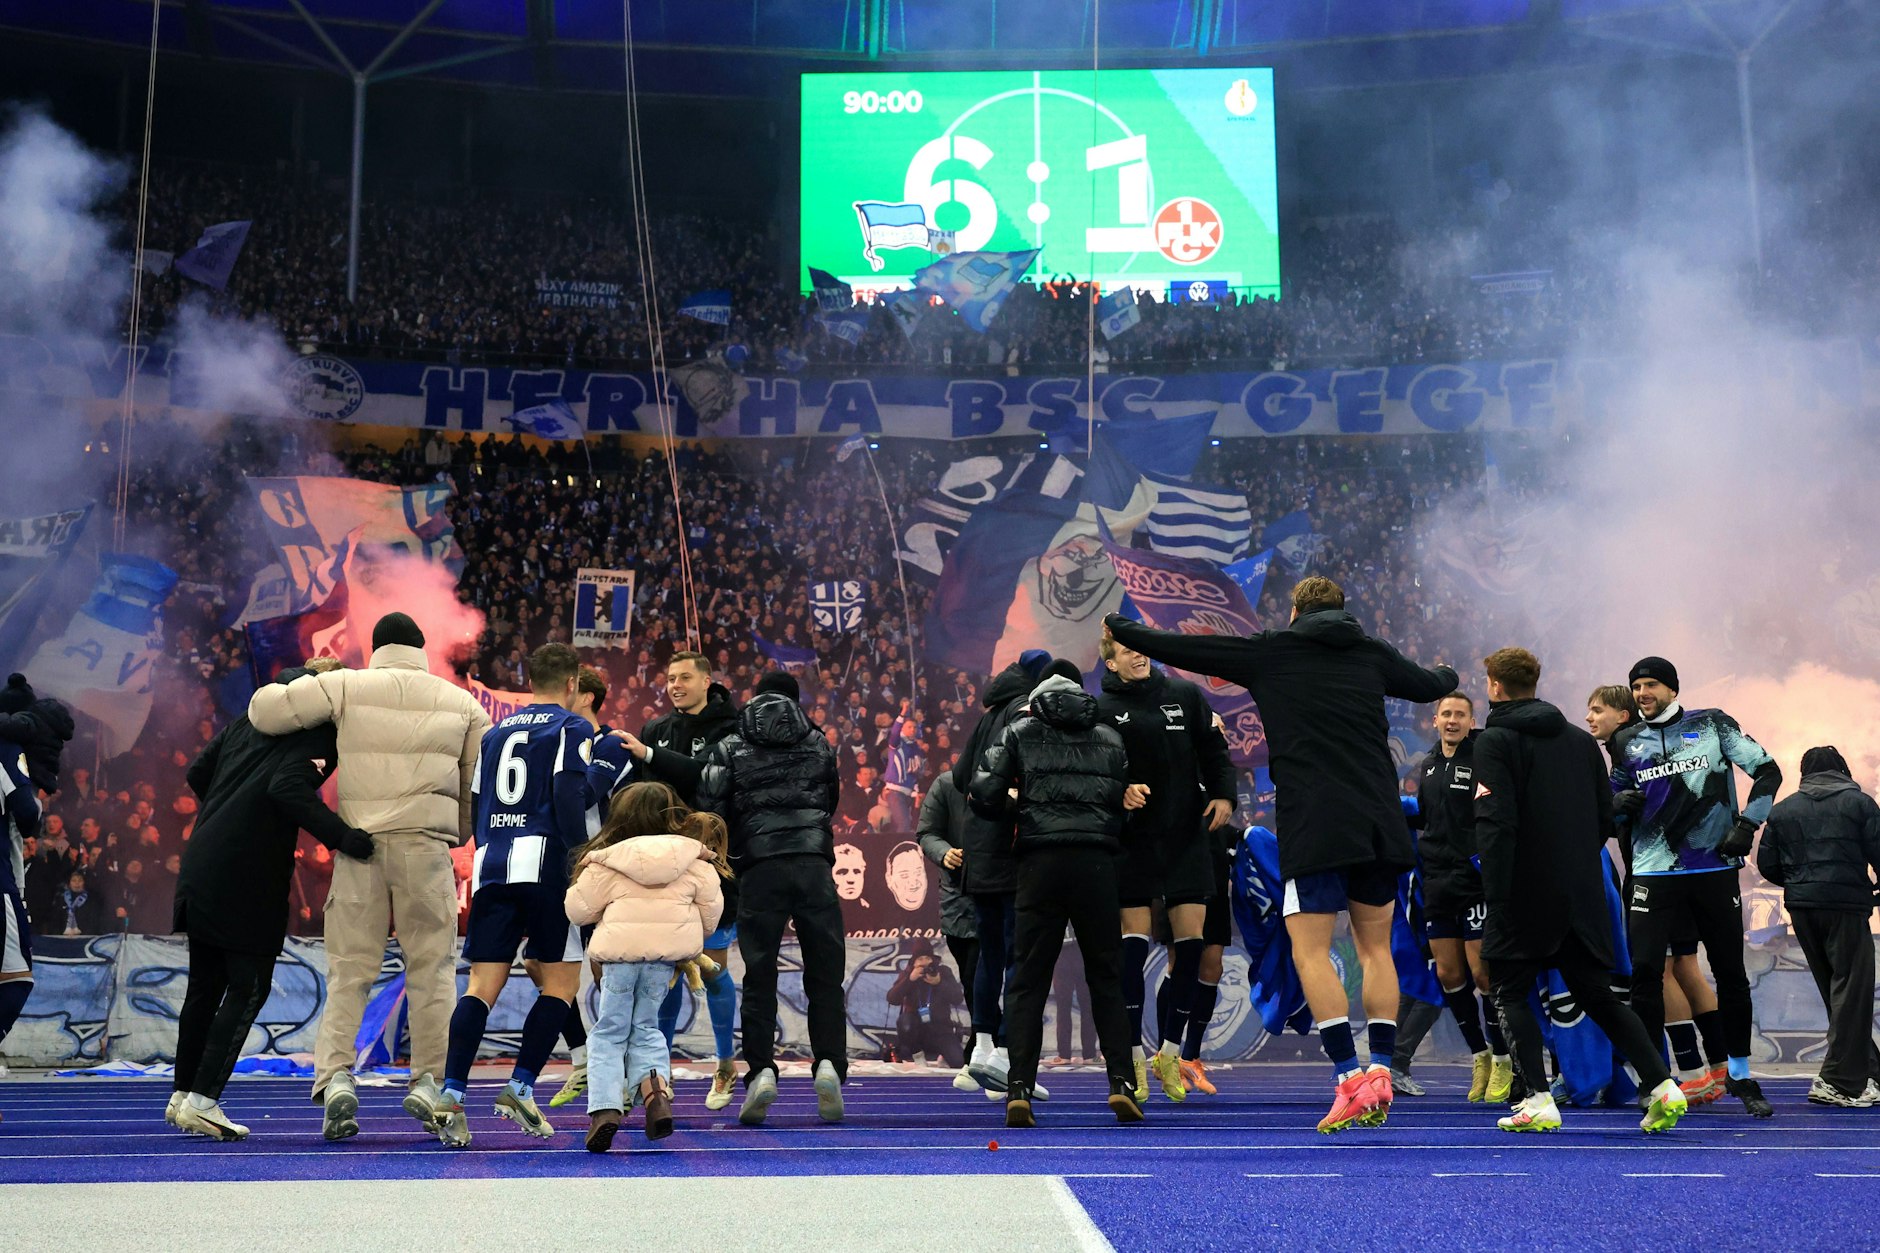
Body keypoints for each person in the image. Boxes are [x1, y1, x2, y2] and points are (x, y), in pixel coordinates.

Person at [1105, 576, 1457, 1132]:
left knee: (1310, 950)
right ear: (1342, 610)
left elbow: (1186, 649)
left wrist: (1122, 627)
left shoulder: (1274, 650)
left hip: (1316, 824)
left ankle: (1348, 1077)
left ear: (1294, 612)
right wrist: (1448, 673)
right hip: (1379, 820)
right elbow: (1429, 684)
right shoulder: (1370, 652)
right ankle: (1382, 1068)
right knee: (1375, 949)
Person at [248, 611, 490, 1140]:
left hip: (361, 850)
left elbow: (263, 712)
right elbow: (475, 788)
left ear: (375, 648)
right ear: (421, 649)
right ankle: (429, 1081)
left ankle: (336, 1076)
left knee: (349, 973)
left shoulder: (347, 686)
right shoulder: (464, 704)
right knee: (432, 973)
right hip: (426, 851)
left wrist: (308, 677)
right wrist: (454, 834)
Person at [1472, 648, 1689, 1135]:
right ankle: (1662, 1085)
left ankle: (1537, 1100)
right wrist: (1573, 867)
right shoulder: (1579, 740)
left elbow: (1494, 823)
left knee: (1508, 991)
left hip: (1523, 892)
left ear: (1495, 686)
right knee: (1599, 996)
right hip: (1582, 890)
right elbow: (1603, 818)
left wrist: (1498, 894)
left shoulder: (1494, 741)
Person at [170, 659, 376, 1140]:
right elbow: (287, 788)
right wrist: (343, 837)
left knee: (204, 987)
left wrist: (231, 808)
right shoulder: (317, 730)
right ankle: (203, 1101)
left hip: (202, 859)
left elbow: (198, 772)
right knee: (248, 986)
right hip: (248, 874)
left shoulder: (248, 718)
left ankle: (182, 1094)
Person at [434, 643, 594, 1147]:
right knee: (560, 982)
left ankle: (451, 1094)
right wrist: (582, 856)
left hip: (493, 863)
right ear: (572, 683)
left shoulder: (494, 733)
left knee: (481, 985)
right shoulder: (572, 727)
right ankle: (521, 1087)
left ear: (529, 681)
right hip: (546, 862)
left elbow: (477, 801)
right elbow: (567, 794)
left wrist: (489, 846)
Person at [969, 663, 1140, 1127]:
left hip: (1040, 863)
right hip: (1096, 864)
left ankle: (1019, 1088)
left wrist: (1018, 804)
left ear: (1038, 700)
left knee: (1028, 979)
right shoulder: (1110, 738)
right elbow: (1122, 807)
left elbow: (982, 794)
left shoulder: (1019, 731)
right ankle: (1122, 1083)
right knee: (1106, 976)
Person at [1610, 656, 1782, 1118]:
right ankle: (1655, 1080)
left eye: (1650, 685)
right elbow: (1610, 799)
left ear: (1672, 688)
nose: (1642, 693)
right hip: (1652, 872)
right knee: (1645, 974)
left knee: (1730, 973)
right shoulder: (1626, 740)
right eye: (1636, 686)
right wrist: (1616, 802)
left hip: (1713, 869)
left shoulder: (1713, 724)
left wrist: (1747, 825)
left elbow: (1768, 770)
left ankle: (1739, 1074)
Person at [695, 670, 847, 1126]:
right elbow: (829, 801)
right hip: (813, 864)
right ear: (796, 702)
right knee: (825, 974)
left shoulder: (730, 745)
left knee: (760, 976)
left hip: (760, 868)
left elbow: (711, 811)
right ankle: (828, 1064)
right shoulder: (818, 742)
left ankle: (761, 1070)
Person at [1095, 635, 1236, 1104]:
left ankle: (1170, 1053)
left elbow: (1214, 748)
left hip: (1185, 837)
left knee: (1191, 949)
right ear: (1110, 663)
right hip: (1132, 840)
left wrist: (1224, 794)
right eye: (1127, 651)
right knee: (1131, 953)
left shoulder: (1184, 694)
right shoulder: (1101, 709)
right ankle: (1133, 1057)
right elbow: (1095, 769)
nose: (1139, 655)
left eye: (1141, 649)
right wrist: (1119, 790)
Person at [563, 782, 726, 1151]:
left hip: (618, 962)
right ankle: (656, 1095)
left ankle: (606, 1108)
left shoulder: (607, 861)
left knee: (609, 1032)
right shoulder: (695, 861)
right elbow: (711, 917)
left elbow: (577, 911)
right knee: (647, 1029)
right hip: (662, 964)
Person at [1588, 684, 1729, 1103]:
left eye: (1597, 710)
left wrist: (1612, 808)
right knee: (1686, 966)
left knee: (1662, 971)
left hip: (1656, 875)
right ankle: (1718, 1067)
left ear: (1623, 716)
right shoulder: (1653, 744)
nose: (1590, 717)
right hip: (1685, 869)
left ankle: (1692, 1071)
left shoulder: (1631, 750)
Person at [617, 651, 742, 1110]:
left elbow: (701, 775)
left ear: (708, 681)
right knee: (664, 974)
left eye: (685, 677)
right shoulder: (655, 728)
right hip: (664, 866)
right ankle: (659, 1077)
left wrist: (648, 753)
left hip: (712, 864)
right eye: (670, 678)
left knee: (713, 968)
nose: (675, 685)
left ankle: (725, 1064)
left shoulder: (731, 729)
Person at [954, 650, 1054, 1099]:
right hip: (1012, 851)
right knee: (1019, 956)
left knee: (989, 953)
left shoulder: (988, 715)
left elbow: (961, 776)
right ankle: (1009, 1057)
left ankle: (982, 1049)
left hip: (979, 851)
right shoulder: (1025, 711)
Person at [1757, 746, 1880, 1107]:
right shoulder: (1861, 804)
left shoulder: (1782, 810)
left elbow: (1767, 865)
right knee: (1852, 990)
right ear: (1842, 769)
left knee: (1836, 992)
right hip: (1846, 907)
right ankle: (1839, 1082)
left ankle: (1869, 1072)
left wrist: (1801, 884)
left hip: (1803, 909)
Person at [1405, 692, 1511, 1103]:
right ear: (1434, 720)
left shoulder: (1481, 757)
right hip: (1437, 881)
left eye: (1460, 715)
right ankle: (1480, 1056)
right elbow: (1428, 817)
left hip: (1473, 881)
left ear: (1471, 720)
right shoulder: (1428, 764)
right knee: (1449, 975)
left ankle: (1503, 1059)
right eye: (1446, 714)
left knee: (1483, 975)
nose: (1452, 720)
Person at [545, 664, 640, 1110]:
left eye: (567, 690)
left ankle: (620, 1069)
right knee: (541, 965)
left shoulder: (610, 743)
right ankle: (583, 1058)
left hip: (598, 869)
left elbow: (585, 794)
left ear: (585, 697)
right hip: (557, 867)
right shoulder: (558, 741)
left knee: (606, 971)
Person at [915, 770, 980, 1088]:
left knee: (1007, 977)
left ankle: (996, 1046)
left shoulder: (1016, 778)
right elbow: (927, 832)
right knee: (972, 977)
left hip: (1008, 891)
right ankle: (986, 1042)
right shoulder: (946, 784)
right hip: (960, 899)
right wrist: (944, 852)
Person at [885, 939, 968, 1067]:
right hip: (916, 1029)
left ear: (933, 960)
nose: (924, 962)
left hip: (941, 1029)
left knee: (959, 1062)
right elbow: (892, 999)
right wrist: (910, 980)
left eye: (927, 958)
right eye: (920, 959)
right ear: (914, 962)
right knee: (905, 1023)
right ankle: (917, 1055)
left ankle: (944, 1057)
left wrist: (939, 983)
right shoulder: (908, 974)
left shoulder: (943, 972)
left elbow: (957, 998)